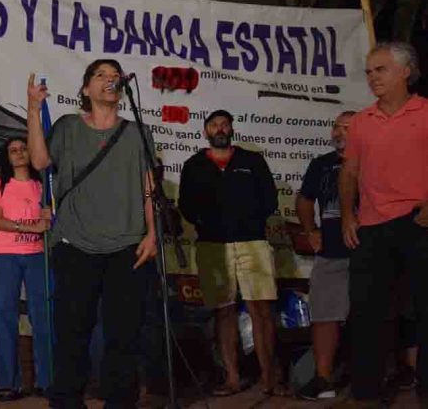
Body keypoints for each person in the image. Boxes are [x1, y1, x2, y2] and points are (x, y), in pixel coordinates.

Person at [27, 59, 157, 409]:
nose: (109, 81)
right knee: (72, 333)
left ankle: (120, 402)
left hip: (127, 245)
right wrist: (34, 109)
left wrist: (152, 233)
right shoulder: (69, 126)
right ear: (86, 88)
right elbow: (39, 162)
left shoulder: (136, 133)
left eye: (115, 77)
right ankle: (68, 401)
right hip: (75, 244)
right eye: (100, 75)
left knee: (124, 335)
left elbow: (148, 187)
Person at [339, 41, 428, 407]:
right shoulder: (362, 121)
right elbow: (349, 172)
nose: (373, 77)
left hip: (419, 223)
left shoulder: (426, 112)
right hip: (372, 226)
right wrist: (348, 214)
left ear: (405, 71)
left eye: (381, 69)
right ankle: (368, 392)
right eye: (370, 71)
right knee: (366, 313)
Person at [178, 110, 281, 396]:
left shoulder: (252, 161)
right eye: (214, 125)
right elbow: (185, 205)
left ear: (232, 129)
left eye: (225, 124)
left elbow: (270, 200)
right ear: (205, 131)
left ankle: (268, 379)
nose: (220, 129)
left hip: (253, 243)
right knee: (224, 312)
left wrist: (247, 221)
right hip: (212, 246)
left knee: (261, 310)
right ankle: (233, 378)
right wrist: (206, 222)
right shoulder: (194, 165)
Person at [295, 111, 355, 400]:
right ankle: (323, 379)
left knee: (374, 315)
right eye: (336, 126)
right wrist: (310, 231)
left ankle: (374, 378)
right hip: (330, 252)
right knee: (323, 316)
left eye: (347, 127)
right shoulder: (321, 164)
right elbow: (305, 199)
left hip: (369, 252)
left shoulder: (375, 160)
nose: (339, 132)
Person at [0, 137, 51, 401]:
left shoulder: (43, 186)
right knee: (5, 316)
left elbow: (50, 219)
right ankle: (7, 384)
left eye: (23, 148)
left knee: (43, 316)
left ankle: (47, 381)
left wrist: (48, 218)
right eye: (13, 150)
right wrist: (32, 227)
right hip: (5, 255)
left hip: (37, 255)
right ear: (7, 157)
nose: (20, 153)